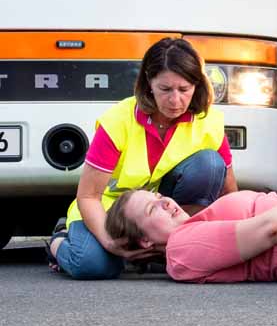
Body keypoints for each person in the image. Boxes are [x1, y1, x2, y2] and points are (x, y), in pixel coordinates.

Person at [47, 37, 238, 280]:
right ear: (149, 84)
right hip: (110, 210)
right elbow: (88, 196)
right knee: (92, 265)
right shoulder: (118, 121)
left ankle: (174, 245)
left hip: (158, 215)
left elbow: (230, 194)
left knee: (209, 164)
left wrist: (237, 240)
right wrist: (109, 243)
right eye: (165, 89)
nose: (175, 100)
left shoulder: (209, 122)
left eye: (184, 89)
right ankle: (60, 240)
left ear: (197, 85)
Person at [103, 187, 277, 285]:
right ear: (145, 241)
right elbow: (270, 229)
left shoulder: (196, 225)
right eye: (153, 208)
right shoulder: (182, 247)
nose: (165, 201)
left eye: (158, 195)